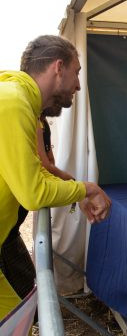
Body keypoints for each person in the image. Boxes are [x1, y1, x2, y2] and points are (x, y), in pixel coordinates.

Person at [0, 35, 111, 336]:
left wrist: (76, 192)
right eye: (76, 73)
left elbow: (35, 172)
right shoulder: (13, 102)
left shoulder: (19, 102)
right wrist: (87, 187)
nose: (78, 85)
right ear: (58, 68)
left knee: (17, 331)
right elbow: (33, 191)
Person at [0, 107, 74, 302]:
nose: (76, 87)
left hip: (11, 230)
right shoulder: (30, 119)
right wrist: (75, 186)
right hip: (8, 231)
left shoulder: (39, 120)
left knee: (27, 292)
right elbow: (44, 165)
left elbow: (46, 163)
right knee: (25, 295)